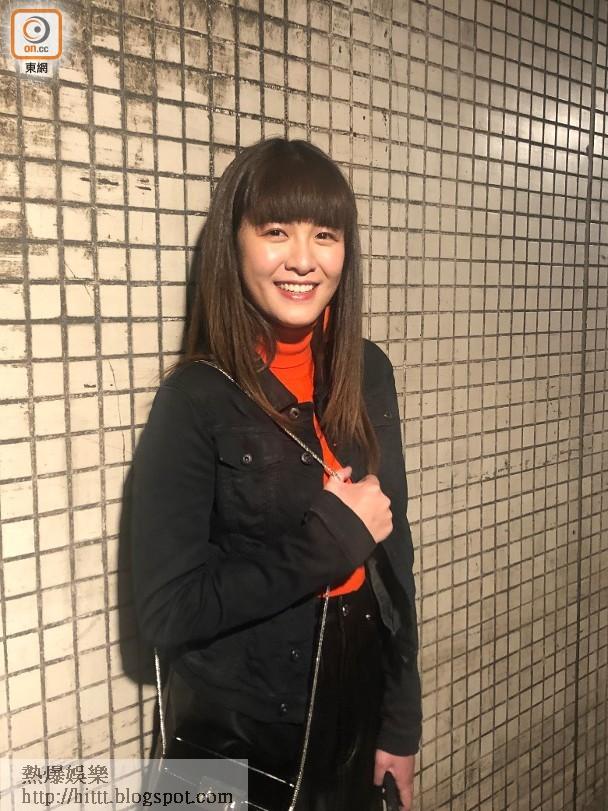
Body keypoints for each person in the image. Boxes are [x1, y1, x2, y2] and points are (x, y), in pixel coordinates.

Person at [131, 138, 422, 810]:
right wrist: (327, 543)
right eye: (275, 231)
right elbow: (167, 610)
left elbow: (394, 558)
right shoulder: (195, 398)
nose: (303, 259)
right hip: (237, 737)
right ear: (233, 244)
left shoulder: (367, 370)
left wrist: (400, 721)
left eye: (325, 234)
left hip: (354, 710)